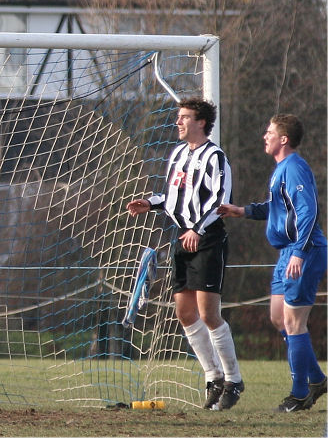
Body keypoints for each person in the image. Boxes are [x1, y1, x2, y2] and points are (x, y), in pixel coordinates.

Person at [125, 97, 243, 410]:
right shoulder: (178, 154)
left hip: (206, 239)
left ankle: (233, 379)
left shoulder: (215, 156)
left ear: (201, 122)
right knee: (185, 313)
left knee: (208, 313)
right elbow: (174, 196)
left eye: (184, 117)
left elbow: (220, 199)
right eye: (178, 117)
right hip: (183, 239)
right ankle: (213, 377)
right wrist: (150, 203)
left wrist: (197, 229)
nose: (178, 122)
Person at [217, 113, 327, 412]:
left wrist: (299, 253)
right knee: (279, 318)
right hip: (286, 252)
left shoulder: (295, 167)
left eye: (269, 132)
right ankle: (317, 378)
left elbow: (308, 211)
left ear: (284, 139)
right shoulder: (281, 170)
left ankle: (300, 394)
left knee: (294, 322)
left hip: (304, 250)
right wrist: (242, 211)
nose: (264, 136)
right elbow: (279, 207)